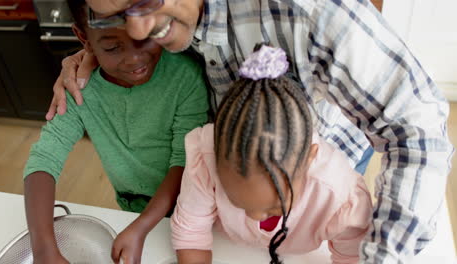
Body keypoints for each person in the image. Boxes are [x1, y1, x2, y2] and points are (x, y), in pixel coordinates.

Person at [47, 0, 454, 262]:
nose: (137, 34)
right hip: (229, 175)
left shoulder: (308, 10)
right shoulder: (161, 24)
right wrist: (94, 54)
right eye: (115, 15)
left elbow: (416, 132)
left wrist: (381, 256)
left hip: (326, 167)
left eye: (142, 2)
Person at [23, 0, 208, 263]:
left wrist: (142, 226)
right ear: (84, 39)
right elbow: (44, 158)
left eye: (143, 39)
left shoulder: (184, 76)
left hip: (192, 212)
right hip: (131, 209)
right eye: (112, 47)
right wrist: (43, 247)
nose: (134, 58)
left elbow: (185, 159)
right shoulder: (80, 87)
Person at [171, 45, 373, 264]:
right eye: (238, 202)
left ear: (309, 160)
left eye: (274, 207)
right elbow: (191, 232)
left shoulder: (338, 194)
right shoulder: (206, 157)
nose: (254, 217)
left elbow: (351, 256)